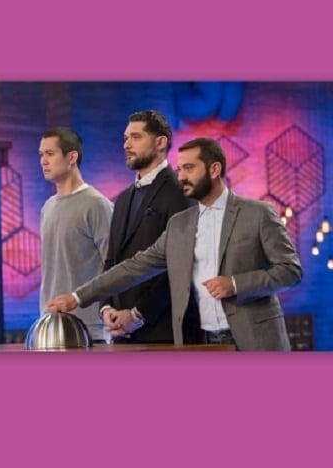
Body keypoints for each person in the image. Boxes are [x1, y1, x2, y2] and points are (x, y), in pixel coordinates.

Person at [46, 137, 302, 351]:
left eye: (189, 168)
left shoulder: (258, 213)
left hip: (254, 340)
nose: (181, 177)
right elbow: (134, 267)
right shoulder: (180, 224)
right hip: (200, 341)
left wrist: (235, 284)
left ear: (214, 170)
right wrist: (78, 297)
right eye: (179, 170)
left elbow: (290, 271)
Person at [99, 110, 193, 343]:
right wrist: (106, 307)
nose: (126, 145)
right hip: (120, 334)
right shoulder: (122, 199)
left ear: (160, 143)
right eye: (126, 138)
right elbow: (112, 261)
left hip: (164, 335)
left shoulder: (180, 193)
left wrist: (137, 315)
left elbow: (180, 268)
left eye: (136, 137)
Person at [38, 127, 112, 342]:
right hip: (50, 326)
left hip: (90, 330)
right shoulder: (48, 207)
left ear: (71, 157)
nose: (43, 161)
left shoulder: (96, 204)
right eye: (41, 155)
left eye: (50, 154)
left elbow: (114, 266)